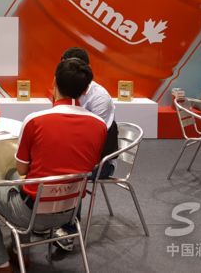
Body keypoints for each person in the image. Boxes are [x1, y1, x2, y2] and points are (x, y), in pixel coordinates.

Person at [0, 58, 107, 273]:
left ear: (54, 83)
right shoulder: (99, 125)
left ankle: (0, 263)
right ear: (85, 90)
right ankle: (19, 252)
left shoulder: (35, 120)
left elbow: (23, 169)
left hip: (31, 212)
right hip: (70, 212)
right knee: (11, 174)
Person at [55, 46, 118, 251]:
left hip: (100, 160)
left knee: (71, 171)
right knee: (43, 165)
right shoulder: (62, 89)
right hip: (74, 152)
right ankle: (45, 220)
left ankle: (69, 229)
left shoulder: (99, 97)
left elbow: (93, 140)